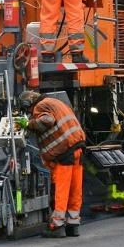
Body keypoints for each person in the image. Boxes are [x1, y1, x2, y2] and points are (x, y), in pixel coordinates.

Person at [16, 90, 86, 238]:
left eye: (26, 110)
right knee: (75, 190)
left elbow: (47, 121)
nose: (29, 113)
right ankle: (73, 225)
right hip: (77, 149)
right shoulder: (55, 102)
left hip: (64, 154)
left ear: (28, 104)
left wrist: (28, 124)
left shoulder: (40, 106)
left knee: (60, 191)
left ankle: (57, 226)